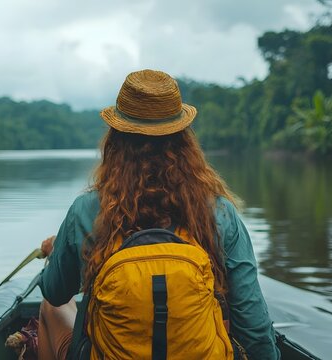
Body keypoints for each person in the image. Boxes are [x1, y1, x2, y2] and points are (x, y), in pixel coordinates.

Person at [37, 69, 280, 360]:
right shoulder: (219, 213)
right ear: (184, 140)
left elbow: (54, 291)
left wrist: (56, 253)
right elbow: (252, 322)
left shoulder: (86, 211)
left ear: (115, 139)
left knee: (49, 308)